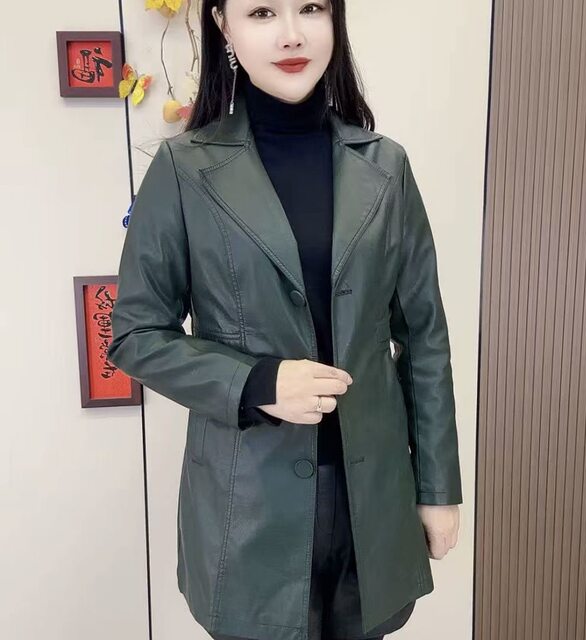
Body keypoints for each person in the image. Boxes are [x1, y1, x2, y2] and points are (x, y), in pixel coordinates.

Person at [107, 1, 463, 639]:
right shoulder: (184, 170)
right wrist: (257, 382)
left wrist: (438, 488)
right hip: (248, 509)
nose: (292, 35)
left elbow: (424, 339)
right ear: (224, 25)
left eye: (311, 8)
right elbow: (136, 334)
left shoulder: (386, 166)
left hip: (373, 504)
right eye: (263, 12)